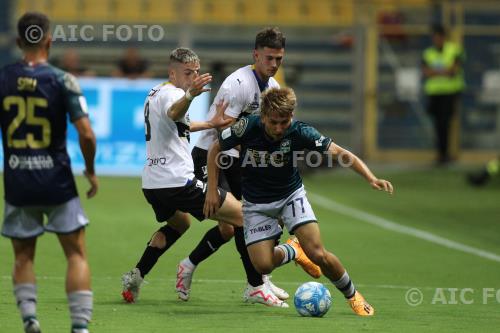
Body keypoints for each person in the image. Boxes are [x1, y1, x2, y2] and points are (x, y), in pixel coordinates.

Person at [120, 48, 307, 308]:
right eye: (187, 73)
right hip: (178, 182)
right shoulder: (175, 94)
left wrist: (211, 123)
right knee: (245, 216)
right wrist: (190, 94)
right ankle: (257, 284)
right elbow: (175, 112)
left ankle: (136, 276)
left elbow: (180, 124)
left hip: (152, 183)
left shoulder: (155, 92)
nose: (193, 78)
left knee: (178, 225)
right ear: (172, 72)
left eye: (196, 72)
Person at [204, 87, 394, 316]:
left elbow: (341, 153)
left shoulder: (300, 131)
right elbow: (215, 148)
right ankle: (294, 249)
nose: (278, 128)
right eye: (273, 122)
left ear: (291, 117)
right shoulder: (247, 127)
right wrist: (212, 190)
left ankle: (353, 295)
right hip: (256, 205)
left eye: (284, 122)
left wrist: (371, 178)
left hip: (290, 197)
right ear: (263, 116)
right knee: (263, 266)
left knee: (318, 254)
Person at [176, 27, 321, 305]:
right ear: (256, 55)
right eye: (269, 58)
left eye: (279, 58)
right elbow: (224, 133)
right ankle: (255, 284)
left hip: (240, 161)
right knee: (241, 221)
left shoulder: (274, 89)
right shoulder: (238, 84)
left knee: (249, 221)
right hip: (213, 156)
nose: (274, 64)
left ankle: (199, 268)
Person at [0, 12, 98, 333]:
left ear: (17, 43)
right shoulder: (62, 80)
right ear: (48, 40)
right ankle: (80, 327)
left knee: (24, 255)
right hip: (57, 182)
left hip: (17, 180)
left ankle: (30, 319)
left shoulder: (3, 78)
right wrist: (90, 170)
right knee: (76, 252)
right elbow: (86, 133)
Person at [422, 24, 465, 166]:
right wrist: (444, 72)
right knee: (437, 124)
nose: (436, 39)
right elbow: (426, 72)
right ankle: (441, 154)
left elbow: (454, 71)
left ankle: (446, 154)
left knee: (446, 124)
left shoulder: (454, 50)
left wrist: (436, 72)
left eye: (438, 36)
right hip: (434, 93)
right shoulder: (428, 53)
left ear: (443, 37)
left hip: (450, 92)